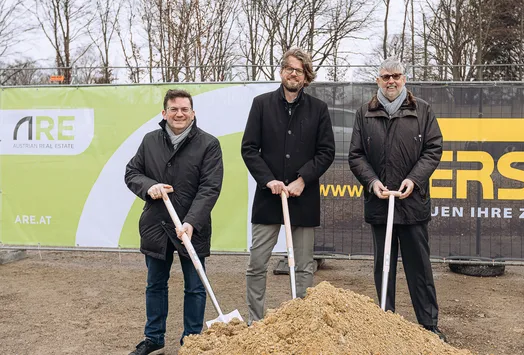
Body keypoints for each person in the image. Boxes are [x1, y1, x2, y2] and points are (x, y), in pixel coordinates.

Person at [348, 58, 446, 342]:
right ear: (378, 81)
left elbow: (433, 149)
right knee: (384, 265)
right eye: (385, 77)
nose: (391, 81)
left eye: (396, 76)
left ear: (405, 79)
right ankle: (384, 321)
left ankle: (428, 326)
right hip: (380, 203)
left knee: (419, 267)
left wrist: (413, 180)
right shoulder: (364, 113)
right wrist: (373, 182)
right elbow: (356, 155)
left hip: (412, 203)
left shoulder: (422, 110)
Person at [124, 89, 223, 355]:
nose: (179, 114)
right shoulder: (149, 141)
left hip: (192, 228)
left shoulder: (208, 144)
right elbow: (132, 172)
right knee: (155, 284)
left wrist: (191, 222)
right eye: (174, 109)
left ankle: (191, 341)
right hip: (156, 225)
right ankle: (154, 338)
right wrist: (150, 186)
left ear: (193, 113)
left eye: (184, 109)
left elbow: (210, 187)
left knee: (195, 286)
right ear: (164, 113)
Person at [241, 47, 335, 324]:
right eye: (288, 68)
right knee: (257, 264)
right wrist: (268, 179)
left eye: (299, 70)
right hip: (268, 197)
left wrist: (303, 179)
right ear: (282, 72)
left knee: (304, 266)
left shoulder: (319, 109)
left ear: (306, 77)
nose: (293, 73)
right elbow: (249, 148)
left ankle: (301, 321)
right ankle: (255, 322)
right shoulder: (261, 104)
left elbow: (326, 152)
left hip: (303, 197)